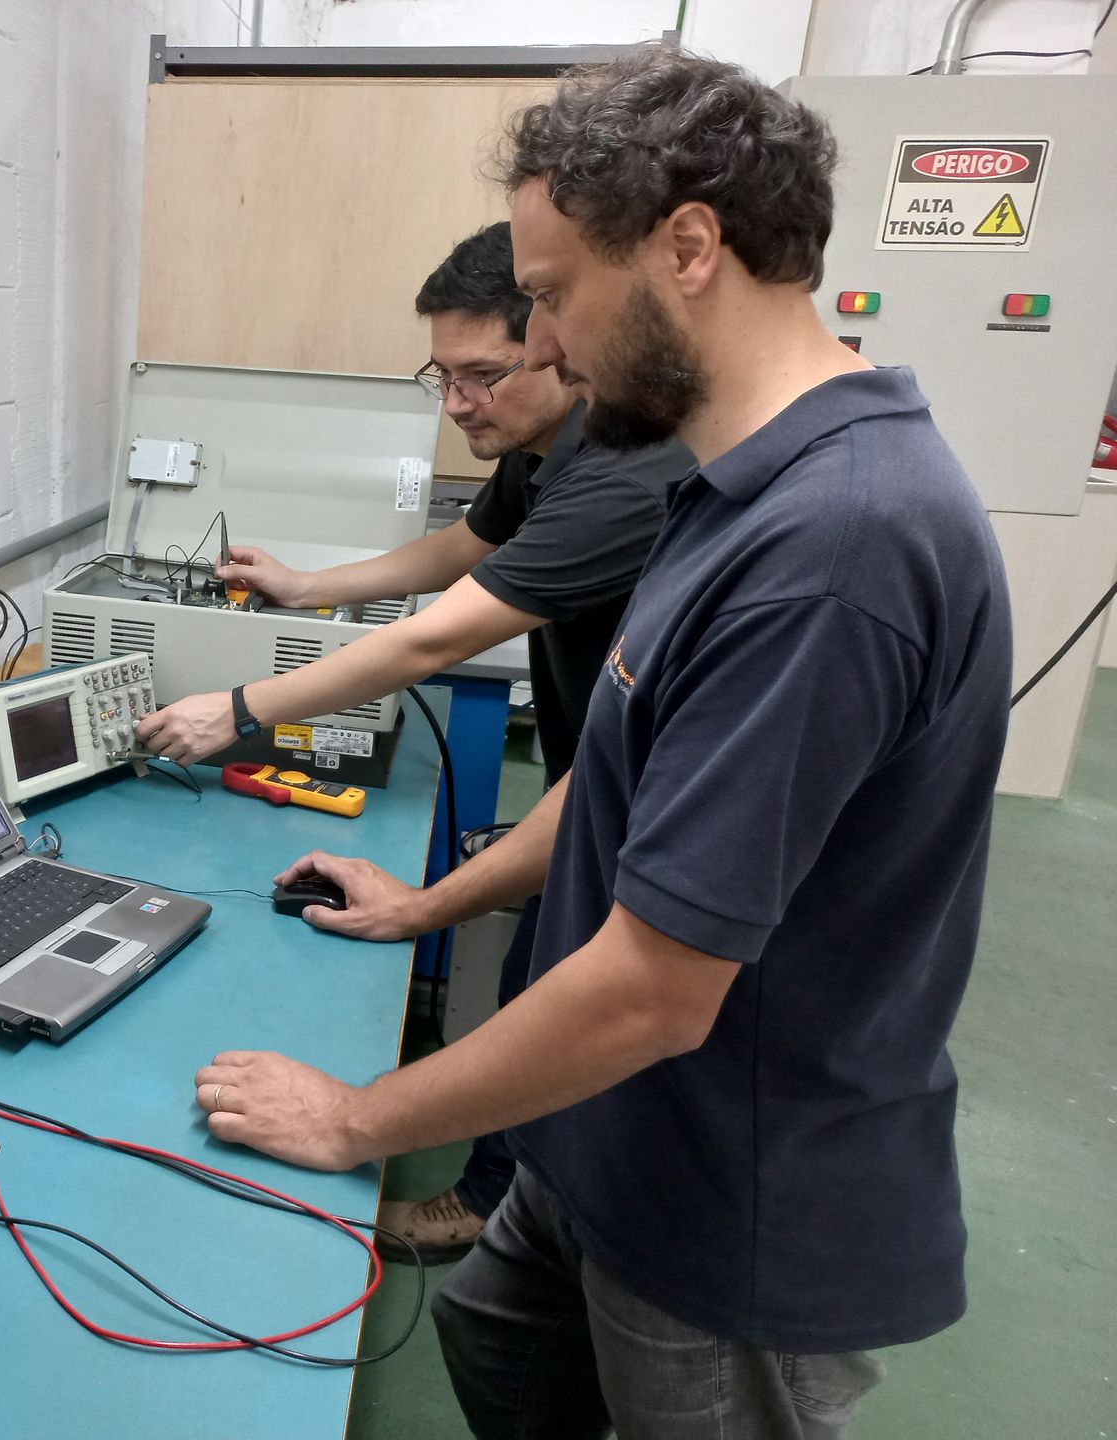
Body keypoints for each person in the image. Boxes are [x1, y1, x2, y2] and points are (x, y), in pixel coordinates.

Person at [188, 47, 1012, 1439]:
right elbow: (617, 780)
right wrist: (427, 907)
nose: (547, 348)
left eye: (558, 295)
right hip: (610, 1130)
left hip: (729, 1194)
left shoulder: (835, 547)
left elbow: (652, 995)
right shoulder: (730, 488)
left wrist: (357, 1119)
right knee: (497, 1341)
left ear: (688, 248)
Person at [135, 224, 690, 1260]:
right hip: (596, 774)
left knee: (559, 999)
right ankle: (512, 1196)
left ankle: (493, 1203)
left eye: (484, 376)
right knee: (541, 974)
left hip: (647, 797)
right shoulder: (542, 450)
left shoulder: (620, 474)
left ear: (556, 342)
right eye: (444, 377)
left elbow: (433, 640)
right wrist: (307, 585)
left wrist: (239, 709)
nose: (458, 404)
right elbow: (461, 548)